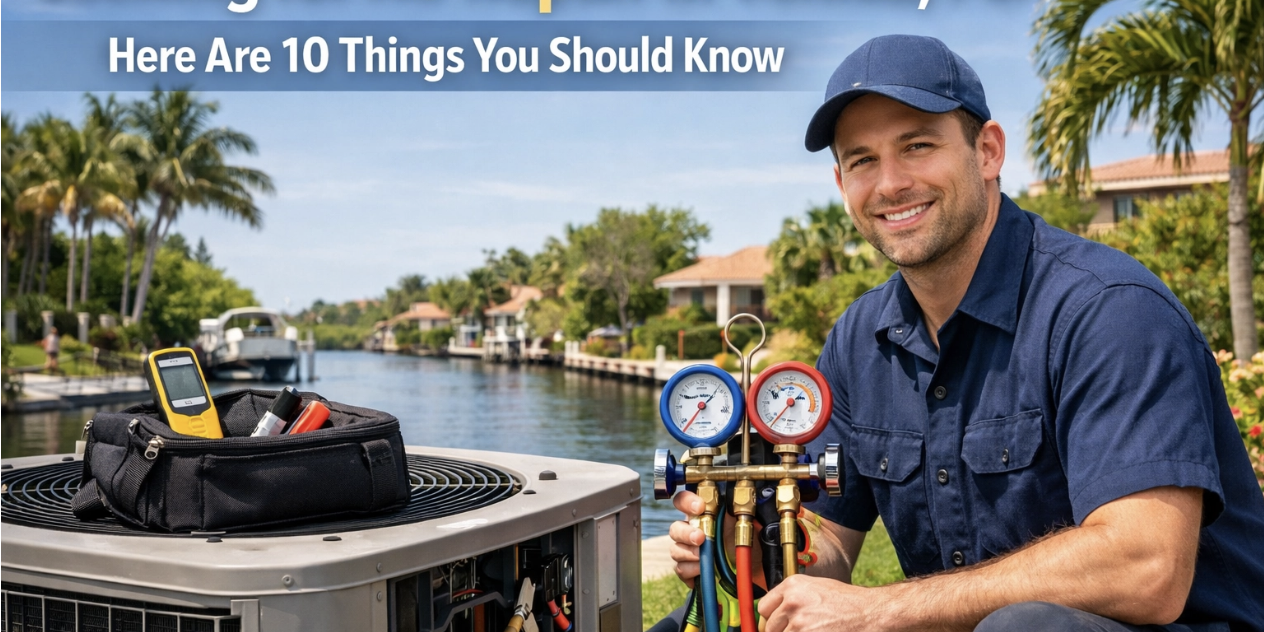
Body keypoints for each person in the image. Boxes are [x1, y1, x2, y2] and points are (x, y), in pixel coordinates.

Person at [664, 35, 1264, 631]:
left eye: (917, 145)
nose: (890, 183)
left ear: (987, 151)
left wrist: (882, 609)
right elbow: (832, 553)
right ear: (842, 183)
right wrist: (745, 543)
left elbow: (1146, 570)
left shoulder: (1108, 311)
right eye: (862, 160)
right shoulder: (858, 340)